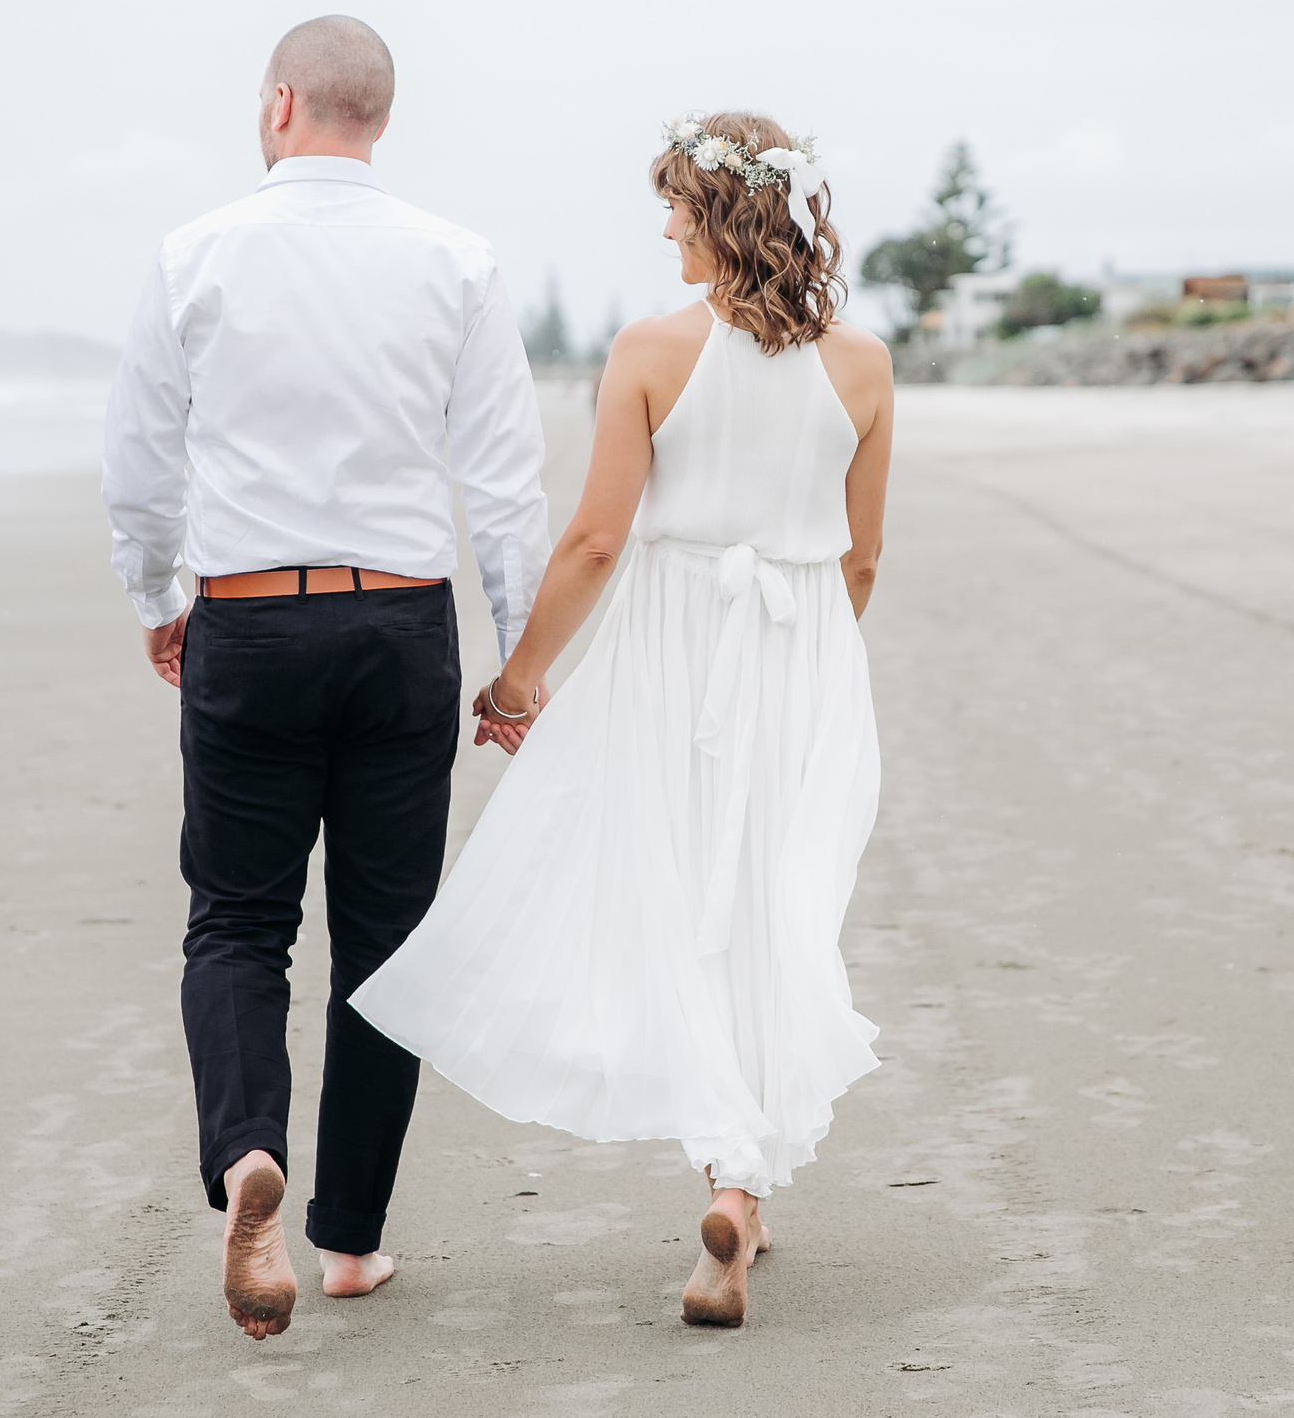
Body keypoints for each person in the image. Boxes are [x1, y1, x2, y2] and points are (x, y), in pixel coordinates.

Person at [350, 111, 893, 1328]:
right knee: (771, 900)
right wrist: (810, 670)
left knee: (675, 898)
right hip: (801, 649)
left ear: (722, 215)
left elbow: (596, 540)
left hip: (672, 647)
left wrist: (518, 678)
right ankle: (739, 1184)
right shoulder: (863, 363)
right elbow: (861, 558)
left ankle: (734, 1170)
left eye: (677, 207)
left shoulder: (650, 349)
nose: (664, 227)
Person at [100, 16, 549, 1341]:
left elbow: (139, 462)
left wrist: (158, 597)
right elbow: (506, 486)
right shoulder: (455, 260)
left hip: (249, 620)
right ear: (381, 119)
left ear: (280, 103)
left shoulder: (197, 253)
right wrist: (518, 662)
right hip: (401, 626)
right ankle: (348, 1239)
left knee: (238, 922)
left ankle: (250, 1153)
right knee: (389, 942)